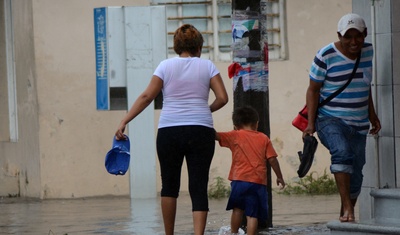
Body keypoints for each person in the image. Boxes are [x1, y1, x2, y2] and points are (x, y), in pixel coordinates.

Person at [115, 24, 229, 235]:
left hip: (169, 131)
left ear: (176, 46)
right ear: (199, 46)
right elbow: (223, 98)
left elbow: (147, 97)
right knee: (198, 186)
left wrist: (125, 120)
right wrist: (204, 111)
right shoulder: (208, 66)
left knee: (169, 185)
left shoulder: (165, 66)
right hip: (200, 131)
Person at [304, 13, 381, 223]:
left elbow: (365, 86)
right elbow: (312, 90)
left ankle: (345, 214)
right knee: (342, 152)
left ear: (365, 34)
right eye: (348, 36)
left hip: (359, 123)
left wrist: (372, 115)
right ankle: (348, 207)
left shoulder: (369, 51)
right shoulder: (325, 55)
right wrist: (311, 124)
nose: (354, 41)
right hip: (330, 119)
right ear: (339, 35)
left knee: (357, 173)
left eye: (358, 36)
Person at [215, 106, 285, 235]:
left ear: (236, 125)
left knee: (237, 210)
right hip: (258, 182)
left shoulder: (234, 135)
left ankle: (233, 233)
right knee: (253, 215)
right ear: (256, 123)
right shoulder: (264, 138)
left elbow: (215, 135)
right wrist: (279, 176)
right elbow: (273, 160)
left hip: (239, 180)